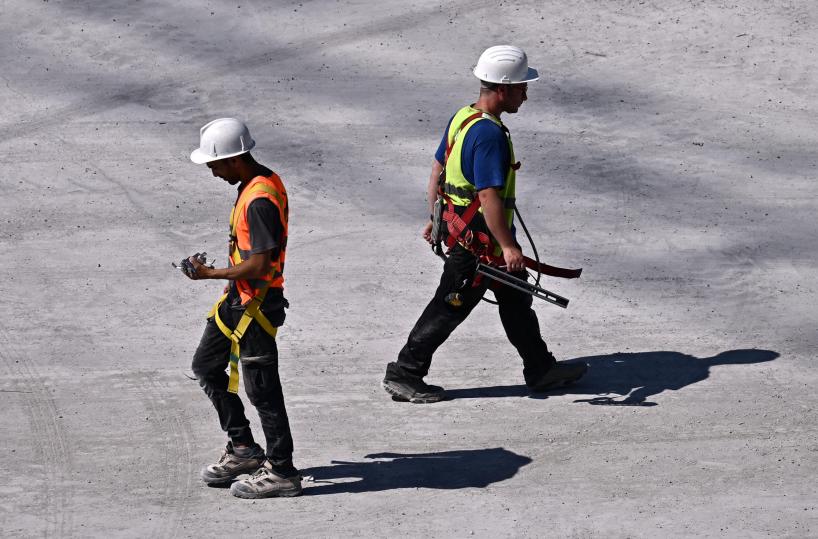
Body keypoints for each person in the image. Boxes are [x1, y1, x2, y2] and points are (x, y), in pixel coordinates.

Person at [382, 46, 588, 404]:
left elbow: (438, 170)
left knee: (517, 301)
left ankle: (540, 368)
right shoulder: (490, 135)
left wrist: (435, 217)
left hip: (470, 234)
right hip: (480, 245)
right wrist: (508, 247)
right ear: (503, 89)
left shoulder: (463, 117)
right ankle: (405, 372)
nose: (526, 93)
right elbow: (489, 196)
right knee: (449, 306)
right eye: (523, 87)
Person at [184, 118, 301, 498]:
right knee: (205, 366)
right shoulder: (253, 185)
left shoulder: (260, 199)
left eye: (214, 165)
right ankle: (244, 449)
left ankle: (282, 471)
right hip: (238, 300)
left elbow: (261, 264)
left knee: (263, 390)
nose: (212, 172)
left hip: (256, 307)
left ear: (235, 159)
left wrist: (210, 273)